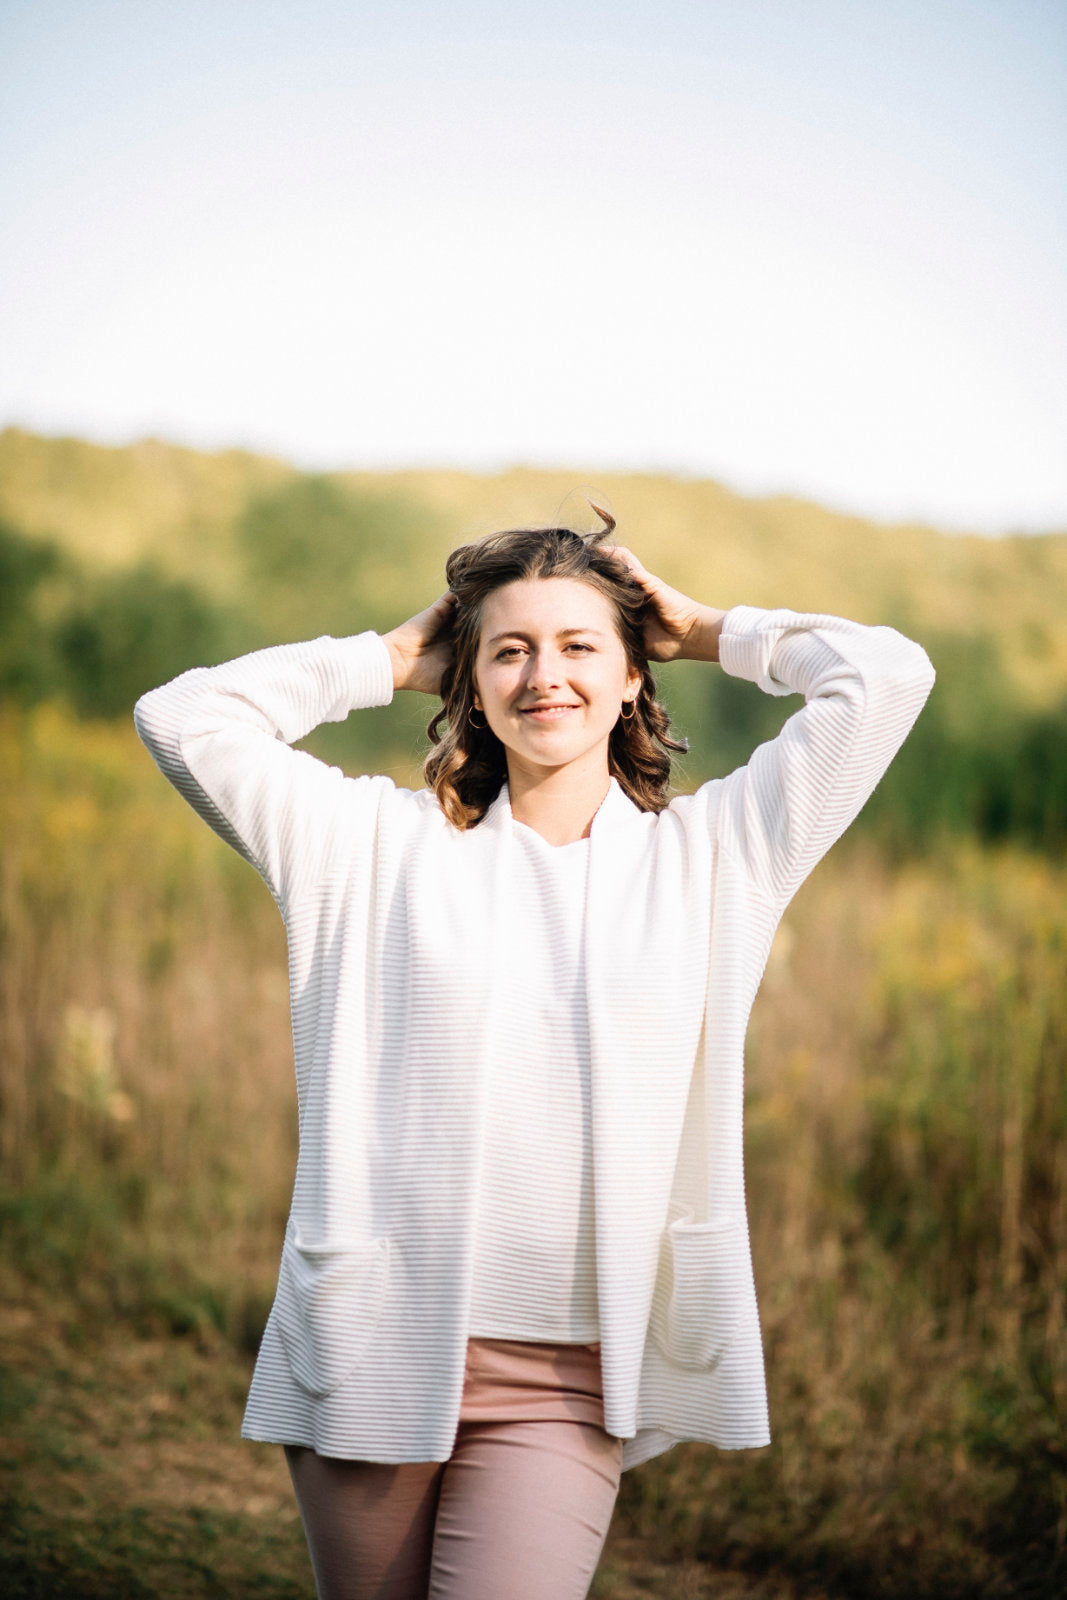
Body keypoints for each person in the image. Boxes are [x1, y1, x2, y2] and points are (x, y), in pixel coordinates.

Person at [134, 510, 935, 1600]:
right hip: (373, 1342)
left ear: (631, 676)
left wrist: (709, 630)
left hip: (567, 1382)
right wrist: (383, 659)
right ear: (467, 681)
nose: (543, 675)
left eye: (577, 646)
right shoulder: (365, 846)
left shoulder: (716, 855)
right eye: (508, 649)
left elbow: (885, 679)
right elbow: (181, 720)